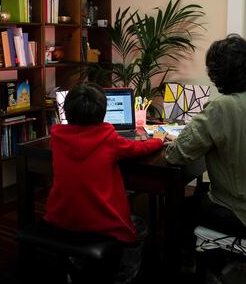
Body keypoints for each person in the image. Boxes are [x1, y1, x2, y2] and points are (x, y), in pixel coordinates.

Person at [44, 82, 166, 283]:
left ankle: (76, 264)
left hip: (62, 217)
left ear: (67, 110)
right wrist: (159, 140)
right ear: (102, 112)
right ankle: (123, 275)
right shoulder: (109, 139)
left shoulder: (56, 138)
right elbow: (140, 149)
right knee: (140, 226)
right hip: (102, 222)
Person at [165, 34, 246, 272]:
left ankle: (189, 266)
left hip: (239, 212)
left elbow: (176, 155)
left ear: (217, 72)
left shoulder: (223, 106)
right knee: (201, 190)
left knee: (181, 208)